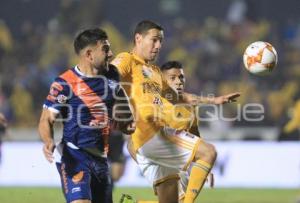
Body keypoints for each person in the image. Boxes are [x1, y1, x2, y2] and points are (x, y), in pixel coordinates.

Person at [112, 20, 240, 203]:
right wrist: (116, 107)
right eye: (154, 40)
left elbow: (177, 97)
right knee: (209, 152)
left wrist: (213, 100)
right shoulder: (127, 60)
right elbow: (110, 77)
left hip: (151, 140)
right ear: (138, 38)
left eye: (160, 41)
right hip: (150, 133)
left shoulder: (155, 71)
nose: (158, 46)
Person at [38, 28, 134, 203]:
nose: (111, 54)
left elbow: (120, 99)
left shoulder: (112, 75)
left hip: (101, 159)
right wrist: (48, 140)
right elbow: (46, 119)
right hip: (74, 157)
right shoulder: (65, 83)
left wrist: (128, 121)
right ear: (89, 54)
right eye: (105, 49)